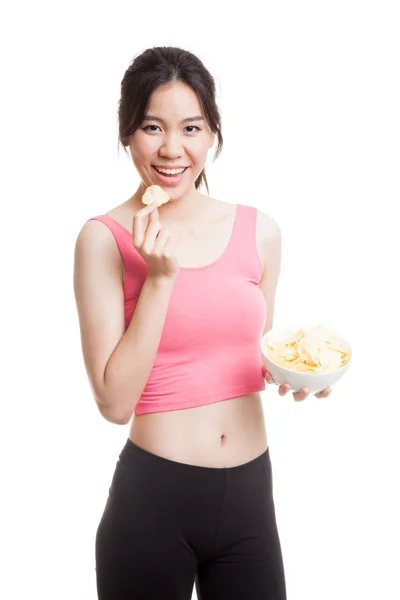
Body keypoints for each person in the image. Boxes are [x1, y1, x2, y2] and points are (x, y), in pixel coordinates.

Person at [73, 46, 331, 600]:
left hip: (251, 497)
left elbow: (254, 356)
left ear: (213, 132)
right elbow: (115, 404)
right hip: (153, 502)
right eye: (151, 126)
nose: (172, 148)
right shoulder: (104, 240)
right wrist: (160, 280)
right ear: (126, 134)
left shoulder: (261, 232)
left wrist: (293, 374)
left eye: (191, 127)